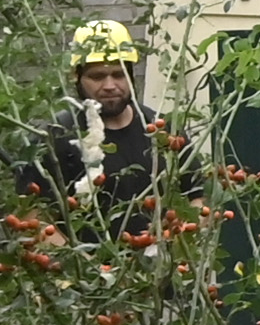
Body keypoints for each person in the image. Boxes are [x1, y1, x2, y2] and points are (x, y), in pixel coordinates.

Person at [30, 23, 170, 211]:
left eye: (119, 75)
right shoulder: (55, 137)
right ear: (76, 77)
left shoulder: (160, 131)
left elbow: (196, 196)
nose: (110, 85)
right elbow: (33, 216)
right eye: (97, 77)